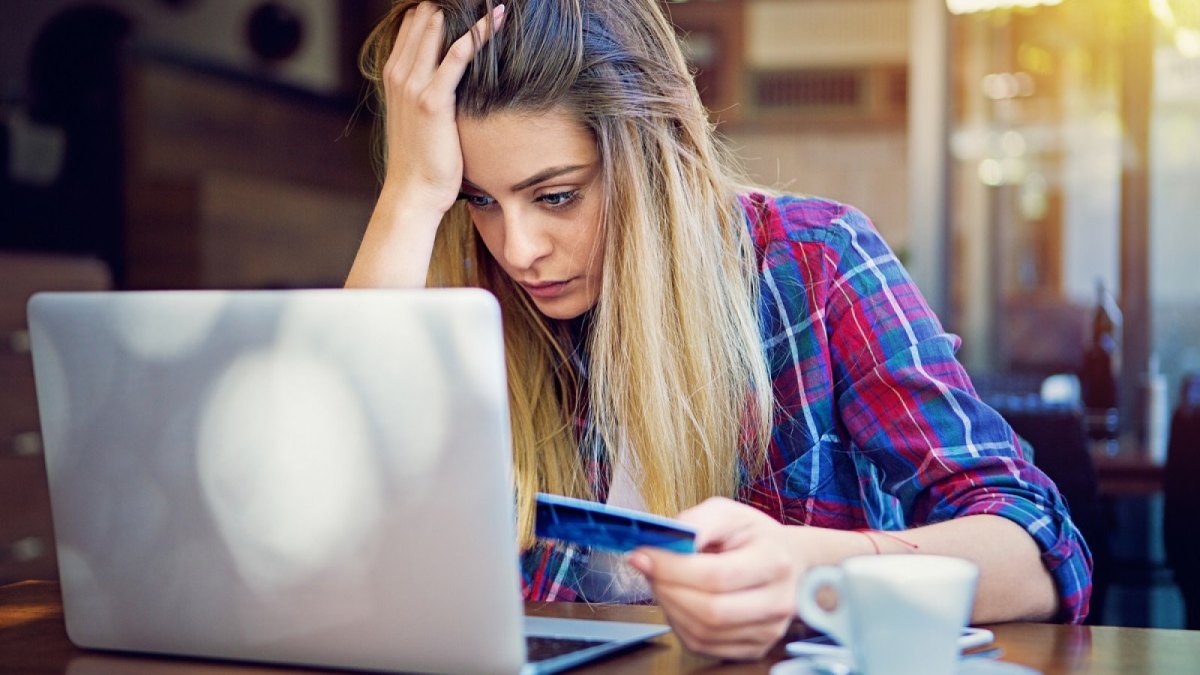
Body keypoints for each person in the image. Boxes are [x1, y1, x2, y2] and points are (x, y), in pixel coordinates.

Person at [346, 0, 1093, 660]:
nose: (518, 248)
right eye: (478, 199)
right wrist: (409, 199)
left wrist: (810, 568)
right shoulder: (472, 303)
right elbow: (330, 538)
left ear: (655, 153)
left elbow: (1038, 547)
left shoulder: (815, 262)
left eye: (558, 196)